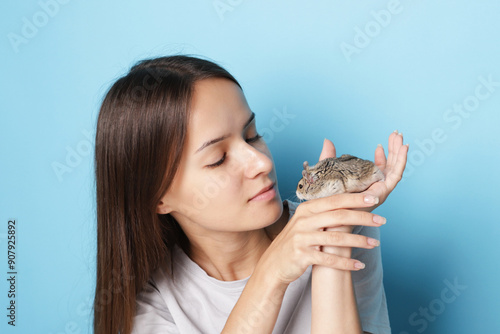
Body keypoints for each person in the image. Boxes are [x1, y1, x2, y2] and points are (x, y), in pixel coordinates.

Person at [93, 55, 408, 334]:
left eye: (252, 135)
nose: (262, 162)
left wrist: (332, 238)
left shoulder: (341, 226)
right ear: (158, 197)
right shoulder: (152, 309)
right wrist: (271, 273)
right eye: (219, 158)